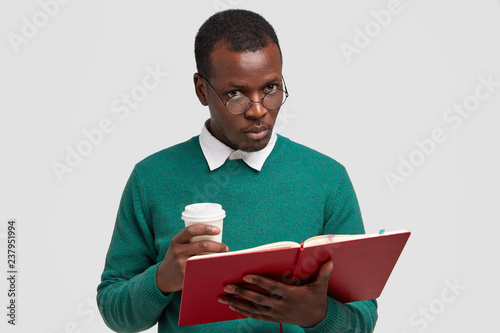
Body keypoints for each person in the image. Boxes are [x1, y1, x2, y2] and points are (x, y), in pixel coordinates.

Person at [97, 9, 378, 333]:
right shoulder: (151, 179)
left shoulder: (328, 179)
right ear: (202, 90)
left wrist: (317, 315)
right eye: (236, 94)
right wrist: (162, 278)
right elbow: (114, 312)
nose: (258, 110)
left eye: (271, 88)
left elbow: (363, 320)